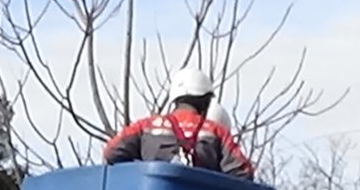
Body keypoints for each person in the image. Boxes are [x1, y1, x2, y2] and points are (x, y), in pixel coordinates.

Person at [102, 65, 255, 178]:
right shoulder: (216, 132)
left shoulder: (146, 127)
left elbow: (112, 152)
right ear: (206, 101)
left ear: (175, 98)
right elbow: (242, 172)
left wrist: (140, 172)